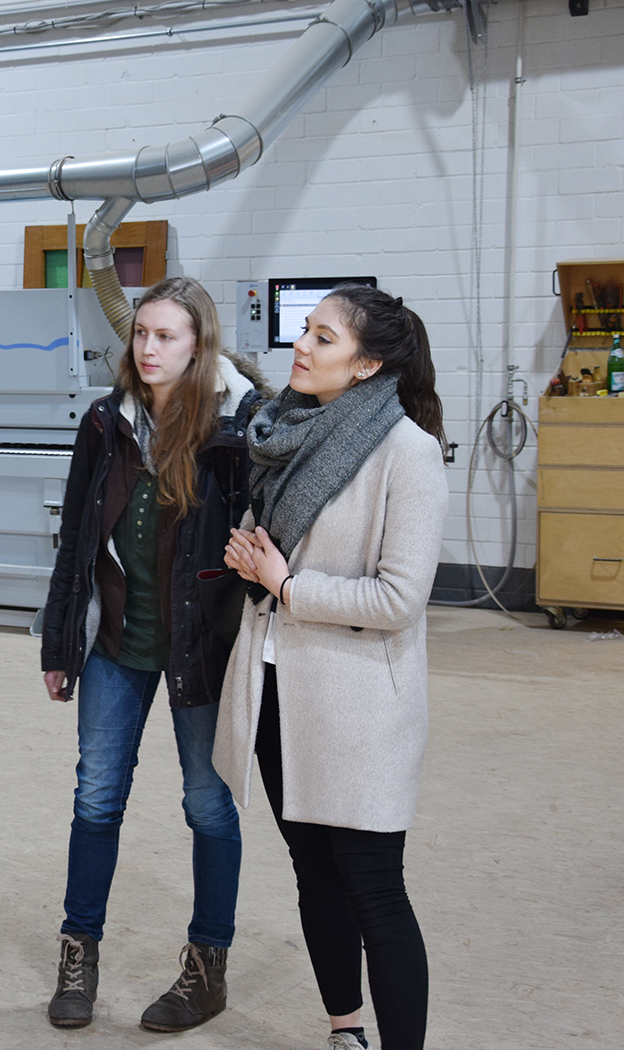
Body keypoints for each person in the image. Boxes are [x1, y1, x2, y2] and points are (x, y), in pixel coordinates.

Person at [214, 284, 448, 1050]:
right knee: (312, 874)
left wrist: (282, 581)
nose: (300, 349)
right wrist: (251, 557)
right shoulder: (285, 430)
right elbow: (268, 541)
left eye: (322, 338)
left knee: (375, 891)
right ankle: (344, 1030)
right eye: (303, 332)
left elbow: (398, 598)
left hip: (356, 705)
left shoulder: (405, 452)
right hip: (279, 687)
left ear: (367, 363)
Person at [38, 276, 266, 1032]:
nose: (147, 348)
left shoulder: (237, 427)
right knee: (94, 799)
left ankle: (206, 967)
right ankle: (78, 954)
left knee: (208, 807)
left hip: (200, 651)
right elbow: (75, 538)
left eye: (165, 336)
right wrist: (59, 640)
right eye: (140, 334)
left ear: (200, 344)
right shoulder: (106, 421)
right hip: (115, 644)